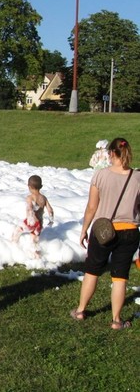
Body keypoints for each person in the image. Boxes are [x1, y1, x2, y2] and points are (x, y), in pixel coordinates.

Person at [71, 137, 140, 330]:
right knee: (120, 277)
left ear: (111, 153)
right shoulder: (137, 177)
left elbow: (92, 207)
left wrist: (84, 229)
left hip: (103, 230)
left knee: (92, 271)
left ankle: (80, 310)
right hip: (130, 231)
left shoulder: (101, 175)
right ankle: (116, 320)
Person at [11, 175, 54, 256]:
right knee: (35, 241)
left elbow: (30, 208)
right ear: (41, 186)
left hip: (30, 222)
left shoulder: (30, 197)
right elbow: (50, 210)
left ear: (29, 187)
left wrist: (32, 218)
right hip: (39, 224)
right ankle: (37, 255)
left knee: (17, 231)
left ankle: (14, 246)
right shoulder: (44, 198)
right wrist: (51, 220)